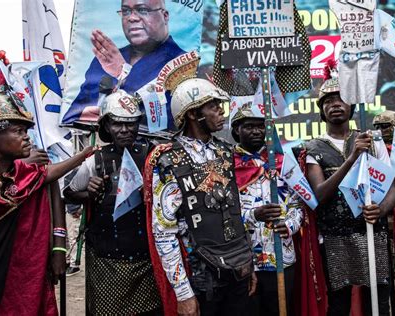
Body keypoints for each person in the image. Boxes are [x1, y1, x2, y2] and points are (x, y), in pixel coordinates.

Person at [0, 71, 94, 315]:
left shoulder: (21, 170)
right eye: (18, 131)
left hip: (18, 275)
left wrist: (58, 247)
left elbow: (46, 179)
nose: (26, 137)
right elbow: (11, 191)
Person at [145, 76, 255, 316]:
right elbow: (164, 231)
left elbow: (233, 211)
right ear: (193, 114)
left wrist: (248, 264)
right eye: (213, 106)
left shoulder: (225, 152)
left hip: (237, 267)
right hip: (201, 276)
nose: (221, 112)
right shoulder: (169, 160)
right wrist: (183, 293)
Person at [305, 61, 395, 316]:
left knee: (378, 303)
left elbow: (393, 187)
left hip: (371, 232)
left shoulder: (372, 140)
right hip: (335, 237)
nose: (335, 104)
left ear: (351, 106)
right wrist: (353, 156)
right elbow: (319, 196)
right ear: (322, 111)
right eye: (328, 101)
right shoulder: (314, 148)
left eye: (341, 99)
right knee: (339, 306)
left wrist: (381, 211)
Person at [63, 89, 161, 315]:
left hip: (146, 258)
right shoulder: (94, 160)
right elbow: (70, 193)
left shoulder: (153, 154)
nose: (125, 130)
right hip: (106, 260)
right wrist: (89, 192)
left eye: (130, 123)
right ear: (107, 126)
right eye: (118, 124)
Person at [231, 104, 303, 316]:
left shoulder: (283, 162)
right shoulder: (226, 165)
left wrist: (290, 224)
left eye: (261, 126)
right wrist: (254, 215)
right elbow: (221, 214)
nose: (256, 131)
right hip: (244, 260)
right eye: (249, 126)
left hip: (281, 256)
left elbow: (298, 204)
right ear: (236, 130)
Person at [65, 0, 185, 125]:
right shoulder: (105, 59)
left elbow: (169, 123)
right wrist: (83, 114)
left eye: (143, 10)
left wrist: (124, 75)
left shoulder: (182, 64)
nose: (132, 18)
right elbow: (72, 115)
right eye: (126, 11)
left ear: (165, 16)